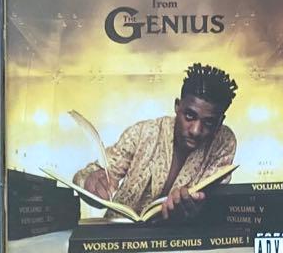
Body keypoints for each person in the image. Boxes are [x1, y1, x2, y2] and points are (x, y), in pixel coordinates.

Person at [73, 62, 238, 221]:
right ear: (177, 106)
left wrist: (197, 210)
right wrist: (90, 183)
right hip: (120, 232)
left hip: (181, 236)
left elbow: (212, 204)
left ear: (220, 122)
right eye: (189, 116)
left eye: (208, 122)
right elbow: (87, 175)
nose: (195, 130)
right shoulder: (143, 133)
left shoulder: (223, 142)